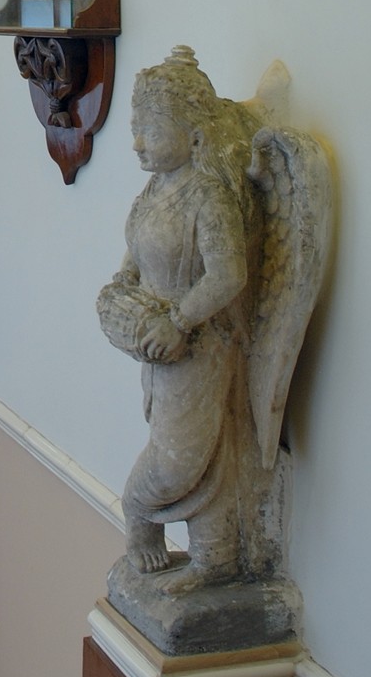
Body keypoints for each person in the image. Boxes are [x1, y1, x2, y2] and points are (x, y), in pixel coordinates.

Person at [97, 46, 262, 590]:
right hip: (157, 346)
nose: (139, 142)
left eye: (153, 129)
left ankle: (139, 517)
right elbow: (136, 261)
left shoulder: (208, 196)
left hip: (199, 343)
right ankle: (215, 559)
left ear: (193, 134)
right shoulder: (152, 193)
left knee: (183, 457)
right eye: (135, 128)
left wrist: (180, 321)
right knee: (193, 448)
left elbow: (229, 276)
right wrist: (120, 297)